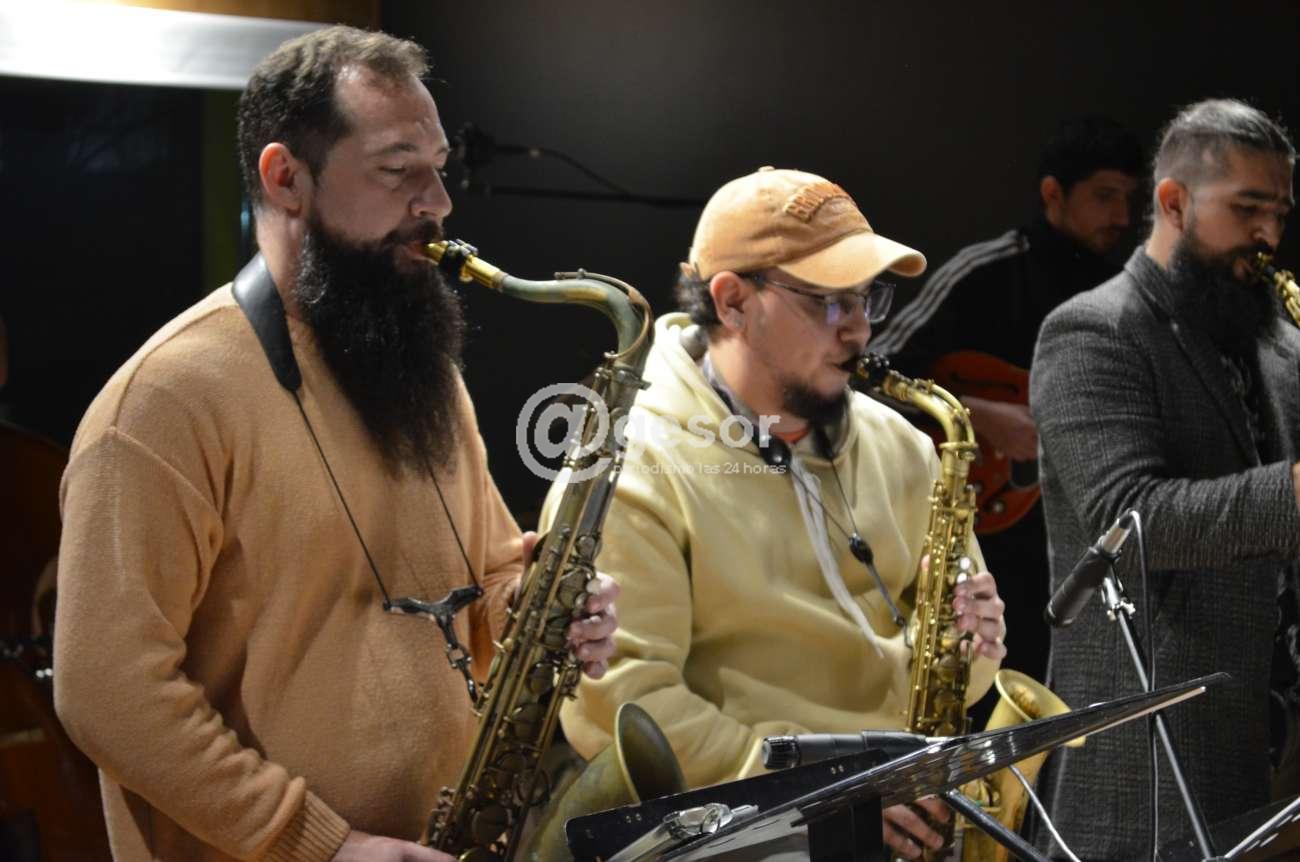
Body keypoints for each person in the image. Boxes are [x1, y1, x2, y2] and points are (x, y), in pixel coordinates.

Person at [52, 26, 618, 862]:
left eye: (439, 167)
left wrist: (544, 610)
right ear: (286, 178)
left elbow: (490, 571)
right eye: (397, 169)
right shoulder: (163, 404)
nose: (438, 202)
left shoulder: (424, 375)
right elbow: (106, 693)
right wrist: (323, 844)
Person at [551, 167, 1008, 860]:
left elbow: (951, 679)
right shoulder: (630, 461)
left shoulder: (906, 445)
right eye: (829, 302)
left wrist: (972, 648)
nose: (860, 329)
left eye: (867, 298)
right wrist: (819, 797)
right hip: (740, 833)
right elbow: (624, 704)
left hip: (893, 810)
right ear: (733, 302)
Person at [1030, 98, 1300, 859]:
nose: (1270, 235)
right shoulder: (1091, 331)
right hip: (1148, 759)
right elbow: (1132, 522)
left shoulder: (1280, 341)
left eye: (1280, 214)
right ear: (1174, 202)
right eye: (1248, 209)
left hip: (1275, 745)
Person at [870, 116, 1142, 689]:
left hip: (1077, 536)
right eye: (1104, 196)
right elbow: (875, 372)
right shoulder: (986, 271)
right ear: (1053, 193)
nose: (1121, 216)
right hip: (994, 539)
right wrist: (982, 416)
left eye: (1128, 199)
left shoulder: (1126, 291)